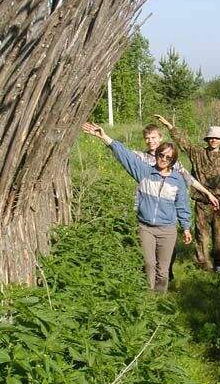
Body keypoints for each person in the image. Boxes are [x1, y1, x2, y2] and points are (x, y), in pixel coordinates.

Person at [82, 122, 192, 292]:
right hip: (146, 227)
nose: (163, 159)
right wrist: (104, 137)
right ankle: (148, 300)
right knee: (149, 265)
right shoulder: (145, 172)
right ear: (157, 155)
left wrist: (186, 228)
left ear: (173, 160)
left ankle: (159, 302)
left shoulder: (177, 180)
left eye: (168, 157)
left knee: (163, 270)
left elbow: (182, 204)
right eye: (161, 155)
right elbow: (126, 155)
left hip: (167, 230)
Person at [134, 123, 220, 281]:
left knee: (169, 251)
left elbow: (189, 179)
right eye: (147, 138)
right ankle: (152, 283)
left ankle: (165, 274)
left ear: (160, 138)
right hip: (148, 210)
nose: (150, 141)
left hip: (168, 212)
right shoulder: (141, 158)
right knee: (149, 255)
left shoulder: (173, 161)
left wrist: (208, 193)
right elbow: (126, 156)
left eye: (153, 138)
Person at [154, 114, 220, 273]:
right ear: (207, 139)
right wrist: (168, 125)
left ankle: (218, 264)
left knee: (219, 236)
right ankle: (204, 265)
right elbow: (183, 142)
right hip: (202, 202)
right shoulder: (198, 153)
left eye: (217, 138)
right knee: (202, 235)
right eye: (211, 138)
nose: (214, 140)